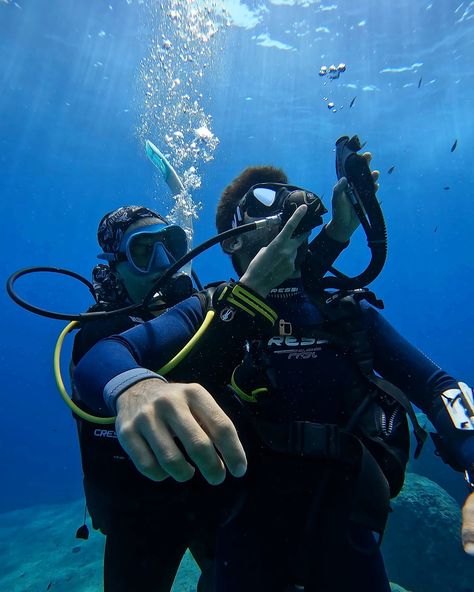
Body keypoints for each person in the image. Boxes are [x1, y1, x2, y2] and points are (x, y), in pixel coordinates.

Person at [73, 169, 474, 591]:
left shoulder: (345, 312)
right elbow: (103, 353)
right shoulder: (209, 308)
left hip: (348, 527)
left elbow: (438, 387)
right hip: (243, 535)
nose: (286, 208)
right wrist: (137, 387)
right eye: (263, 201)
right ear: (232, 239)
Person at [71, 205, 215, 592]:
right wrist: (134, 387)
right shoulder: (99, 331)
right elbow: (96, 362)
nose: (163, 262)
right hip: (138, 509)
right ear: (115, 266)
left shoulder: (203, 313)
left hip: (214, 494)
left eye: (170, 245)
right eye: (142, 250)